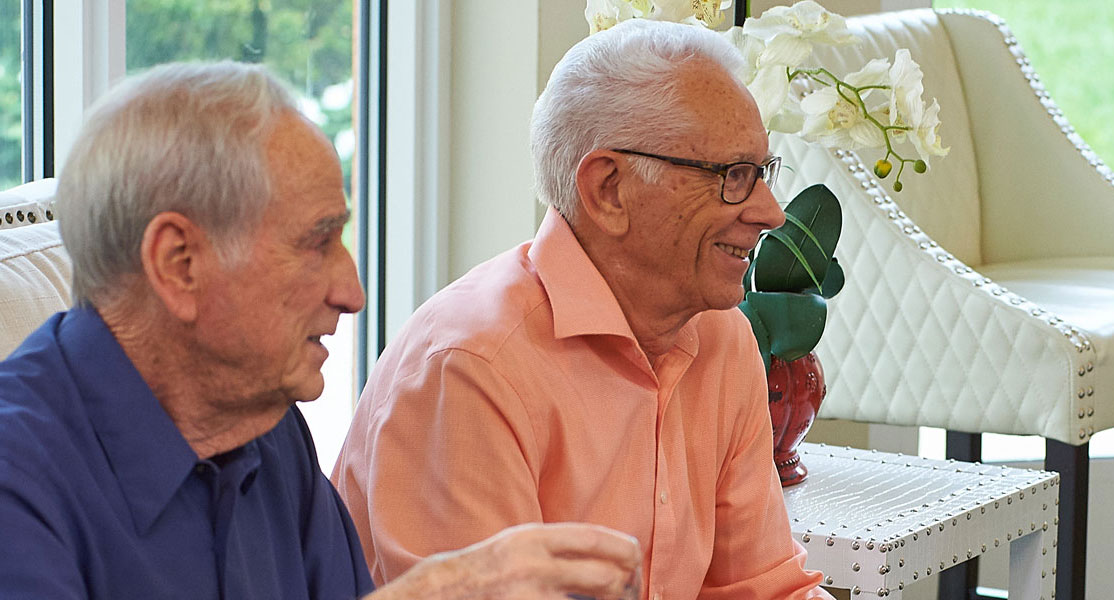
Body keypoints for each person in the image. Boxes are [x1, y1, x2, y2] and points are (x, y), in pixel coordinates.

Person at [0, 62, 642, 600]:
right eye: (316, 243)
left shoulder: (267, 426)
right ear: (179, 263)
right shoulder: (18, 475)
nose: (353, 293)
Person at [332, 19, 830, 599]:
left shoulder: (722, 336)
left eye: (764, 174)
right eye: (734, 176)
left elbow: (762, 587)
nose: (771, 213)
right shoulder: (472, 366)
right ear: (608, 189)